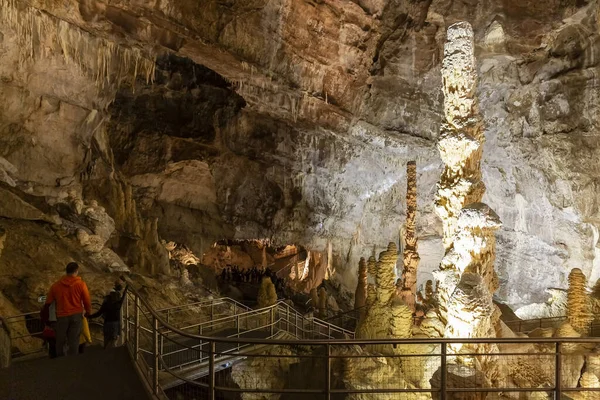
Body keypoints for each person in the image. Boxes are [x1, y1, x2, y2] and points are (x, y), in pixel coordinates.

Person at [45, 262, 92, 357]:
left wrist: (47, 318)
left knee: (60, 339)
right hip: (76, 314)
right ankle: (72, 361)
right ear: (76, 271)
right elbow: (87, 300)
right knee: (74, 339)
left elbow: (48, 303)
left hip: (61, 315)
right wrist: (88, 312)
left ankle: (60, 359)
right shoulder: (81, 284)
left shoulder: (56, 286)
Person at [88, 279, 128, 349]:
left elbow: (99, 313)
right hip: (115, 324)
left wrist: (89, 316)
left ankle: (106, 354)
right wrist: (127, 286)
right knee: (113, 342)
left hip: (107, 323)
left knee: (106, 342)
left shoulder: (106, 304)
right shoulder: (118, 304)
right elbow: (124, 294)